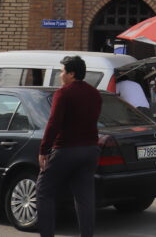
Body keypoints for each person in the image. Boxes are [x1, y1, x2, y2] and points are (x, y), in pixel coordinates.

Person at [37, 55, 102, 237]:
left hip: (66, 149)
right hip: (90, 150)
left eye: (63, 71)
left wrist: (44, 149)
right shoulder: (95, 94)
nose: (60, 75)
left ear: (71, 74)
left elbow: (54, 123)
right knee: (84, 198)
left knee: (44, 191)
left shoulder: (63, 93)